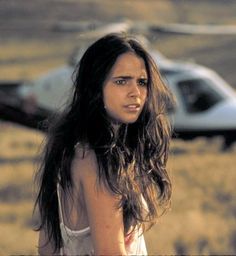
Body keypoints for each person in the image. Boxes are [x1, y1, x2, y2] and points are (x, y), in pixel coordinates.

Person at [35, 33, 174, 255]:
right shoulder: (98, 162)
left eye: (142, 82)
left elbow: (46, 248)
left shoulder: (69, 150)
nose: (135, 92)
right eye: (121, 81)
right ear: (95, 87)